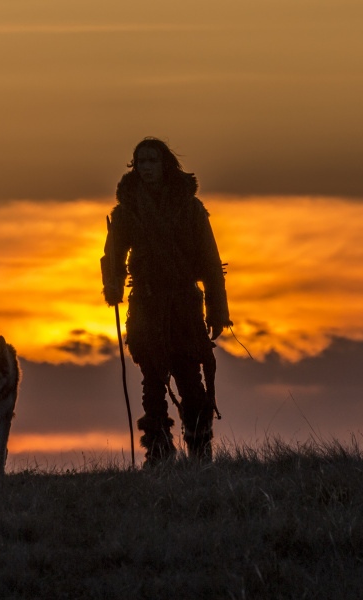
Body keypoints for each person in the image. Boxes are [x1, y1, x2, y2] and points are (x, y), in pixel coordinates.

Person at [101, 137, 231, 465]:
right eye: (141, 162)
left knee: (190, 379)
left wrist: (217, 310)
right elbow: (112, 256)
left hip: (184, 304)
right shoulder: (127, 211)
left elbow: (210, 261)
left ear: (165, 165)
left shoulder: (190, 208)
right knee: (153, 381)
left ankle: (200, 452)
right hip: (146, 304)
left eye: (152, 161)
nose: (146, 167)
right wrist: (113, 286)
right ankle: (159, 455)